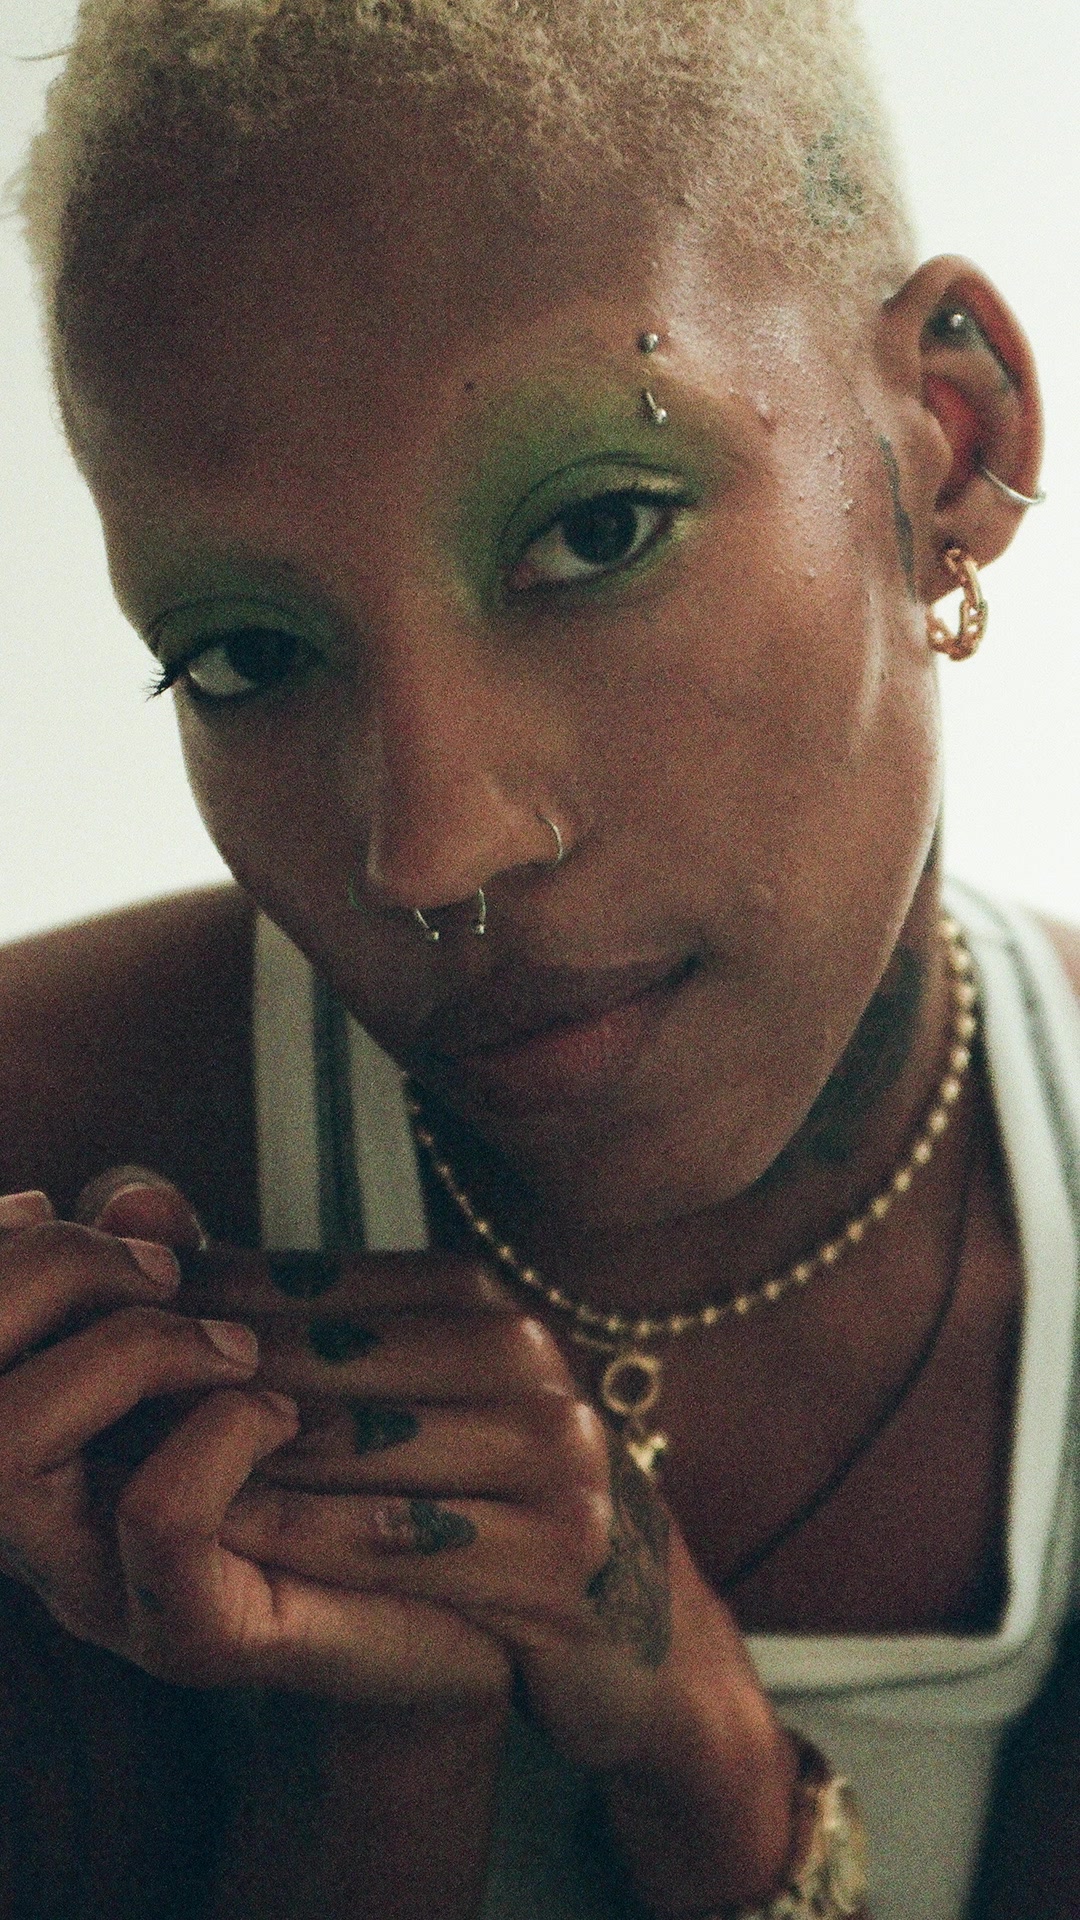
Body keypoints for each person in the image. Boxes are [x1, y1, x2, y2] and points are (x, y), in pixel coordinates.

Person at [0, 1, 1076, 1915]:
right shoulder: (50, 1219)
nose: (429, 846)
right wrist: (378, 1772)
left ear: (951, 447)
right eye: (245, 652)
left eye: (596, 529)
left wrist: (720, 1771)